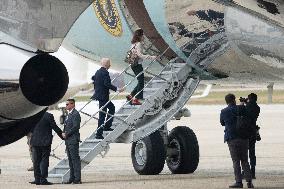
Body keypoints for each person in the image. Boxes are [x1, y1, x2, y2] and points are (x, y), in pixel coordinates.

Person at [220, 94, 254, 188]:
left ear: (226, 101)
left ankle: (238, 182)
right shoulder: (241, 108)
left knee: (236, 161)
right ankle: (249, 182)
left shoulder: (224, 111)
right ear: (234, 100)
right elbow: (249, 117)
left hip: (231, 138)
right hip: (243, 137)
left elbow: (222, 123)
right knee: (245, 161)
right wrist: (244, 104)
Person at [91, 58, 124, 139]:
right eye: (109, 63)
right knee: (102, 115)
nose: (110, 65)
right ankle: (99, 134)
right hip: (103, 97)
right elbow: (107, 83)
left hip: (100, 96)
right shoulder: (105, 72)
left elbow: (94, 80)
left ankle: (107, 126)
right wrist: (117, 89)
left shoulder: (98, 72)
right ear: (107, 65)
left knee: (111, 108)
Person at [29, 111, 64, 185]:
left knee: (36, 161)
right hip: (45, 142)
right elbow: (54, 127)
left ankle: (37, 179)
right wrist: (62, 136)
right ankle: (43, 179)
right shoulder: (48, 115)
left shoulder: (34, 115)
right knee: (44, 160)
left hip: (35, 142)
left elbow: (30, 129)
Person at [126, 28, 157, 105]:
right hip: (137, 65)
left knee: (140, 80)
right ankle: (136, 98)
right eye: (143, 35)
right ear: (140, 36)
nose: (144, 36)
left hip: (133, 64)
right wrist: (152, 57)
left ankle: (131, 95)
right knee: (141, 81)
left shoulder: (133, 44)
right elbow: (140, 55)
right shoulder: (139, 44)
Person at [62, 99, 82, 184]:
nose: (66, 106)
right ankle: (72, 177)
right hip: (68, 140)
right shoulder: (69, 114)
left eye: (67, 104)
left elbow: (76, 126)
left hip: (73, 139)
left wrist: (67, 133)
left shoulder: (75, 114)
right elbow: (66, 125)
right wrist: (63, 132)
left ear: (72, 104)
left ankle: (77, 179)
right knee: (70, 160)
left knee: (75, 160)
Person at [241, 93, 260, 179]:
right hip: (253, 131)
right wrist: (246, 102)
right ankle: (253, 172)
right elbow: (251, 110)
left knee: (244, 154)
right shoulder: (257, 108)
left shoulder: (247, 106)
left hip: (246, 132)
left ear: (249, 99)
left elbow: (242, 112)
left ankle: (244, 172)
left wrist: (243, 103)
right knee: (252, 153)